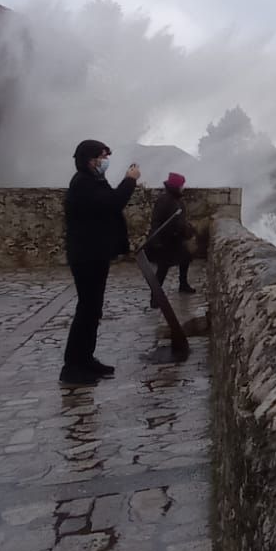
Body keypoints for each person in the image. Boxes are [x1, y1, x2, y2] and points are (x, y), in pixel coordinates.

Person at [62, 140, 139, 386]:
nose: (106, 159)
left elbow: (108, 203)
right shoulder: (82, 183)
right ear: (90, 160)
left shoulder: (94, 181)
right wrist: (130, 180)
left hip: (95, 254)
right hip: (86, 256)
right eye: (103, 156)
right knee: (86, 310)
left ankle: (86, 359)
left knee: (93, 310)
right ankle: (73, 367)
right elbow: (112, 203)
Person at [146, 171, 196, 296]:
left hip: (176, 239)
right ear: (176, 186)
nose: (183, 188)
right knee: (163, 269)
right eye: (181, 185)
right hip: (165, 241)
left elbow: (179, 219)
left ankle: (183, 284)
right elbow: (156, 221)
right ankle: (155, 296)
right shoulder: (164, 200)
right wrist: (156, 242)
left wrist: (186, 228)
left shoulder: (176, 199)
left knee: (185, 258)